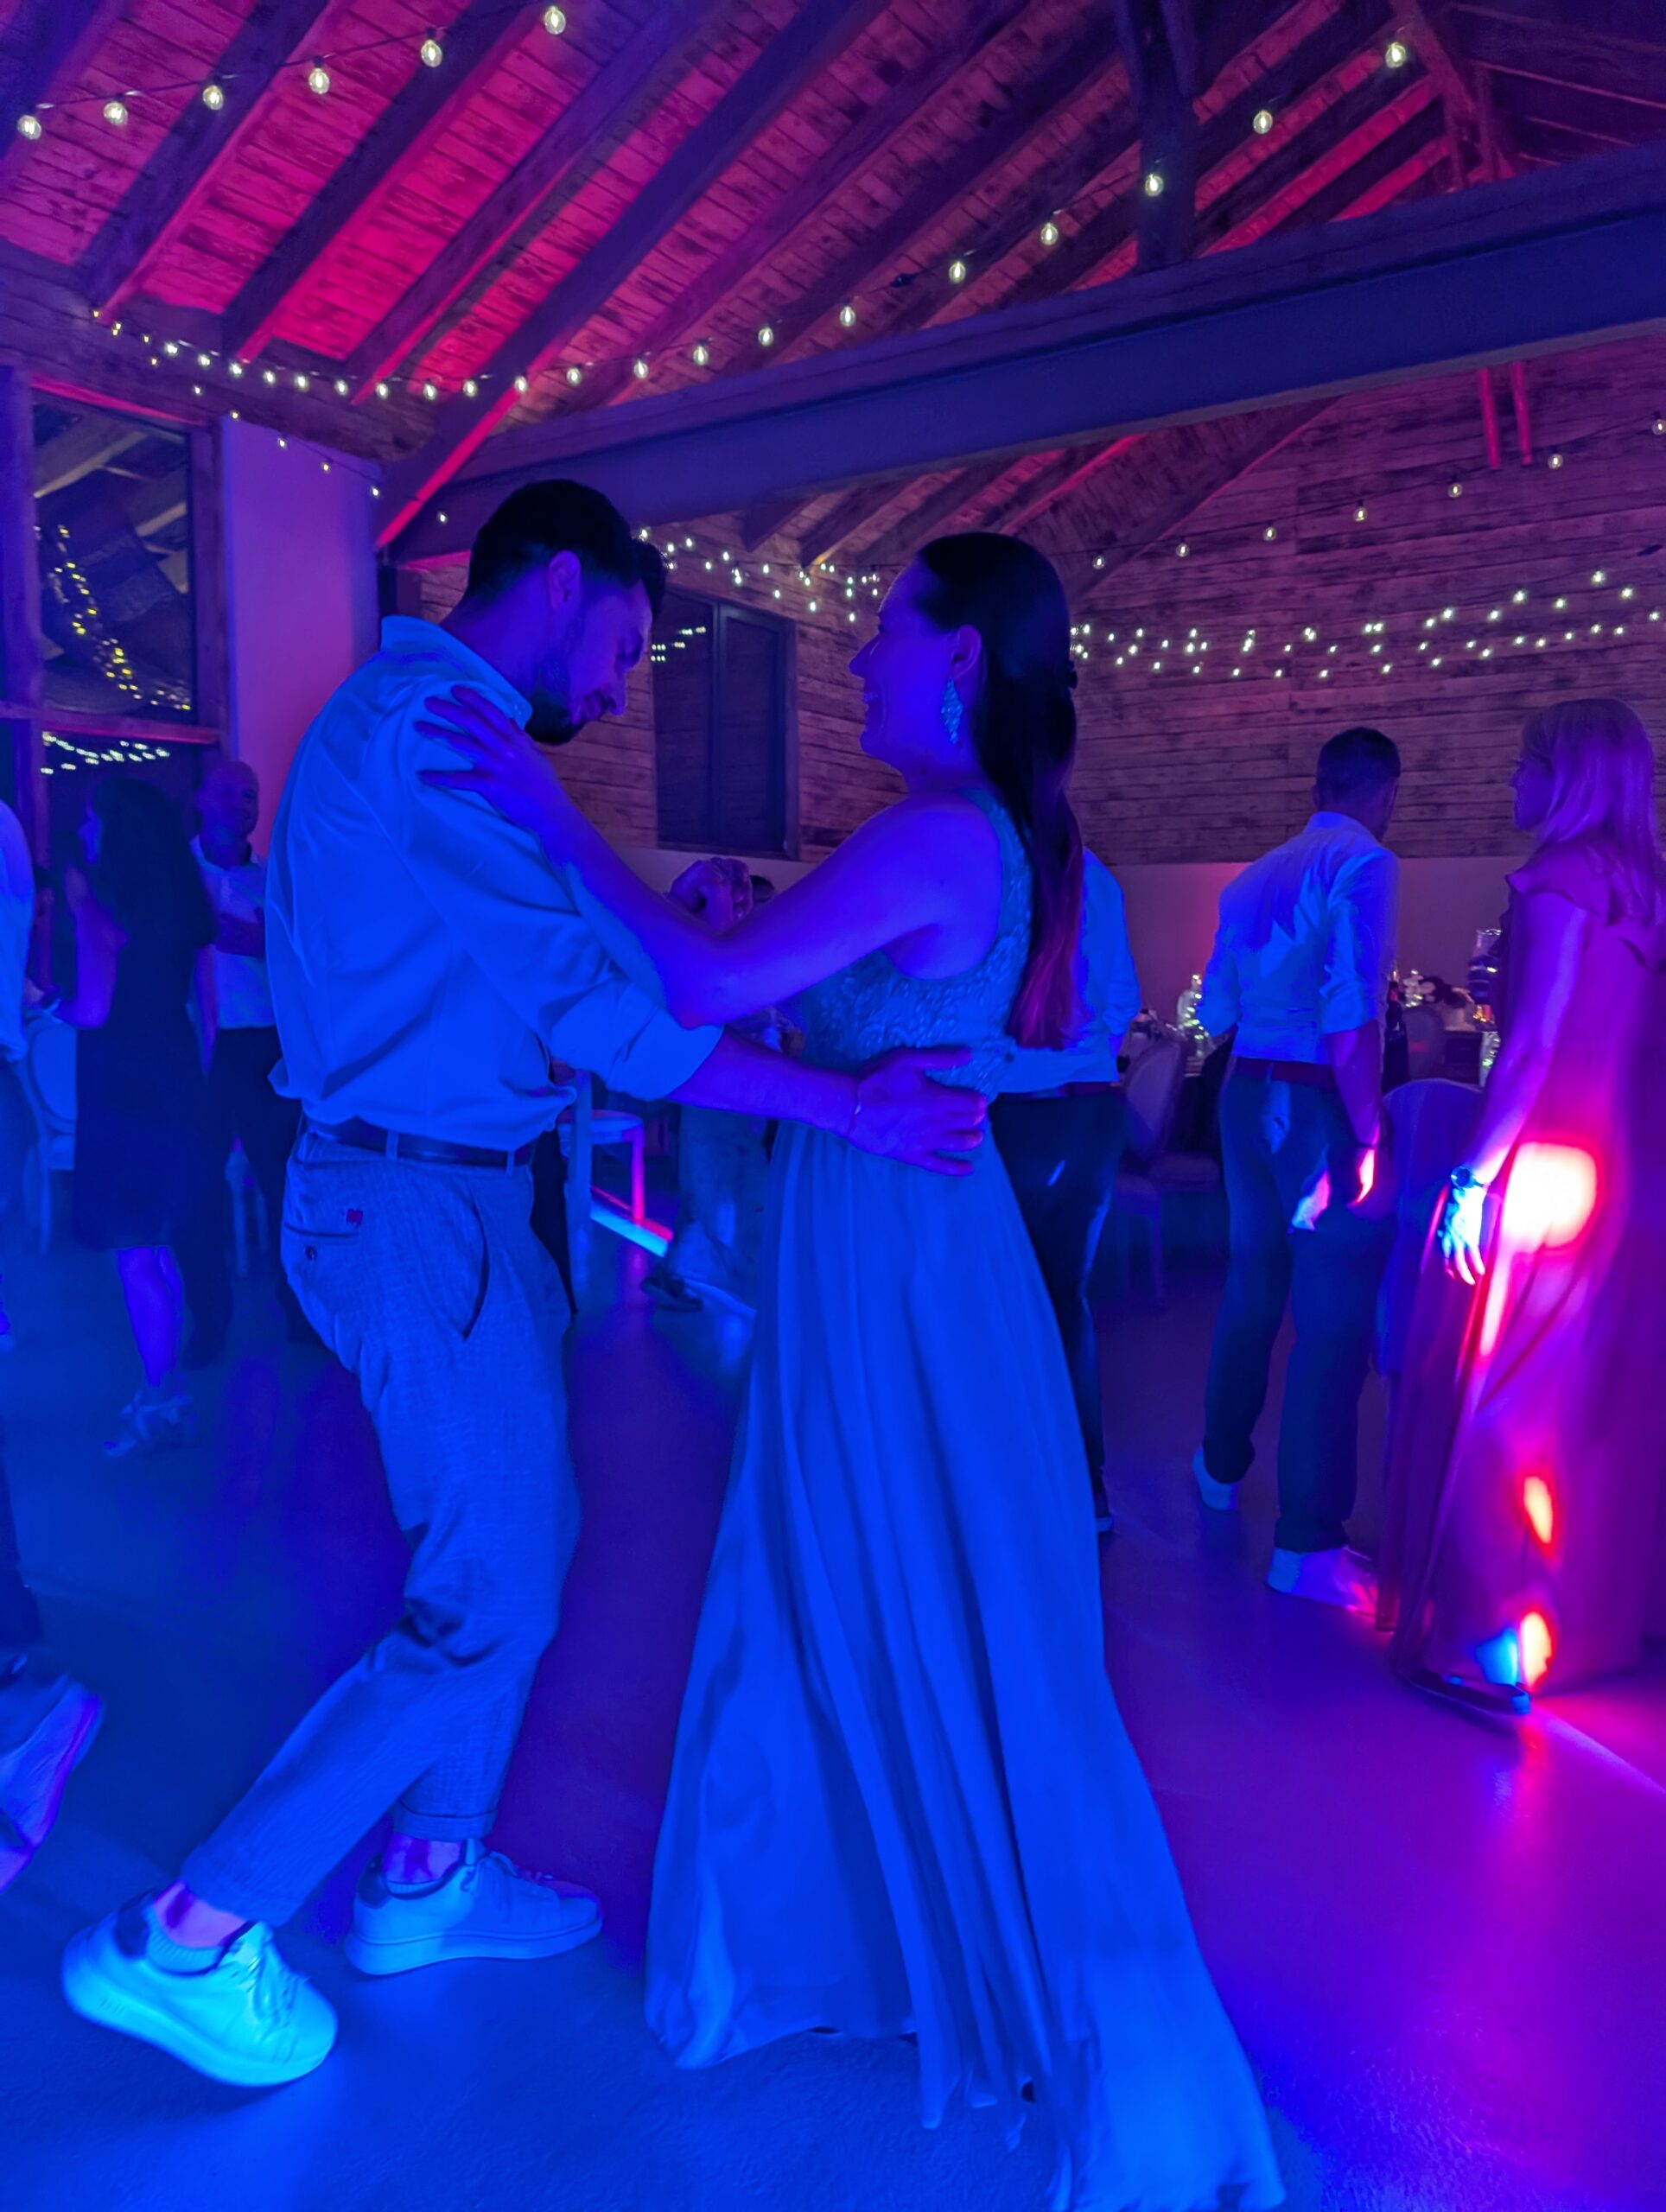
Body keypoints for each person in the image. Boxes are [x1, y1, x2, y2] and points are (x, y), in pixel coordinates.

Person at [61, 480, 980, 2091]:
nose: (619, 688)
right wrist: (846, 1108)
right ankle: (192, 1933)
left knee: (519, 1555)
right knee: (489, 1597)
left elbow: (529, 981)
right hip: (422, 1206)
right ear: (560, 580)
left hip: (457, 1198)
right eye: (623, 644)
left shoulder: (433, 728)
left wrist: (663, 938)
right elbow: (609, 1026)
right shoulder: (437, 727)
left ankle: (429, 1871)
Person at [423, 533, 1283, 2211]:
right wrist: (726, 942)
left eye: (887, 630)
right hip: (889, 1233)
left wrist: (544, 812)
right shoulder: (967, 833)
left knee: (898, 1581)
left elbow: (702, 987)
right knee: (874, 1578)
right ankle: (864, 1939)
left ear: (958, 657)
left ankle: (949, 1967)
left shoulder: (942, 833)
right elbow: (783, 1003)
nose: (863, 657)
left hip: (897, 1252)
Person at [1377, 699, 1666, 1713]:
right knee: (1580, 1400)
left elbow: (1532, 1046)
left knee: (1503, 1394)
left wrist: (1469, 1179)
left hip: (1539, 1157)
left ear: (1567, 775)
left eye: (1524, 763)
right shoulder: (1642, 889)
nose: (1510, 781)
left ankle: (1487, 1646)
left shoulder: (1555, 881)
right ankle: (1571, 1627)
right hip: (1614, 1168)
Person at [1193, 729, 1401, 1611]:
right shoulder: (1366, 864)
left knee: (1251, 1284)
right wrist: (1369, 1131)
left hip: (1243, 1089)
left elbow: (1213, 1010)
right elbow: (1351, 1014)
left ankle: (1218, 1466)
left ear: (1317, 787)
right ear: (1384, 793)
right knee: (1332, 1319)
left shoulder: (1247, 879)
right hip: (1316, 1097)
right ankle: (1306, 1542)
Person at [57, 779, 214, 1456]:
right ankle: (166, 1390)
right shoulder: (180, 903)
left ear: (117, 831)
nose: (85, 832)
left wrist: (43, 1003)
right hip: (173, 1082)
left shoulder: (102, 902)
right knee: (159, 1245)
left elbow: (92, 1008)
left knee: (135, 1257)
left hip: (122, 1092)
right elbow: (206, 1013)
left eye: (93, 821)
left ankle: (160, 1402)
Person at [989, 850, 1140, 1533]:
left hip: (1015, 1112)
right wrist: (1081, 1056)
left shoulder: (992, 859)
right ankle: (1084, 1487)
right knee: (1065, 1301)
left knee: (997, 1299)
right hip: (1091, 1111)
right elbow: (1123, 1001)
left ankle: (1007, 1489)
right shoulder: (1096, 874)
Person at [176, 756, 307, 1363]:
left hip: (262, 1048)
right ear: (200, 799)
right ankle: (208, 1323)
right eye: (227, 792)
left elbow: (311, 968)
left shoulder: (276, 881)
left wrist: (266, 944)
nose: (239, 803)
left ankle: (300, 1313)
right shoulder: (175, 875)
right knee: (196, 1186)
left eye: (249, 794)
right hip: (196, 1048)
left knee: (285, 1184)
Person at [645, 862, 792, 1314]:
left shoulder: (761, 960)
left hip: (749, 1085)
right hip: (723, 1081)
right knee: (725, 1180)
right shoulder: (725, 958)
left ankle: (682, 1274)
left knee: (721, 1180)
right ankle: (735, 1281)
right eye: (757, 906)